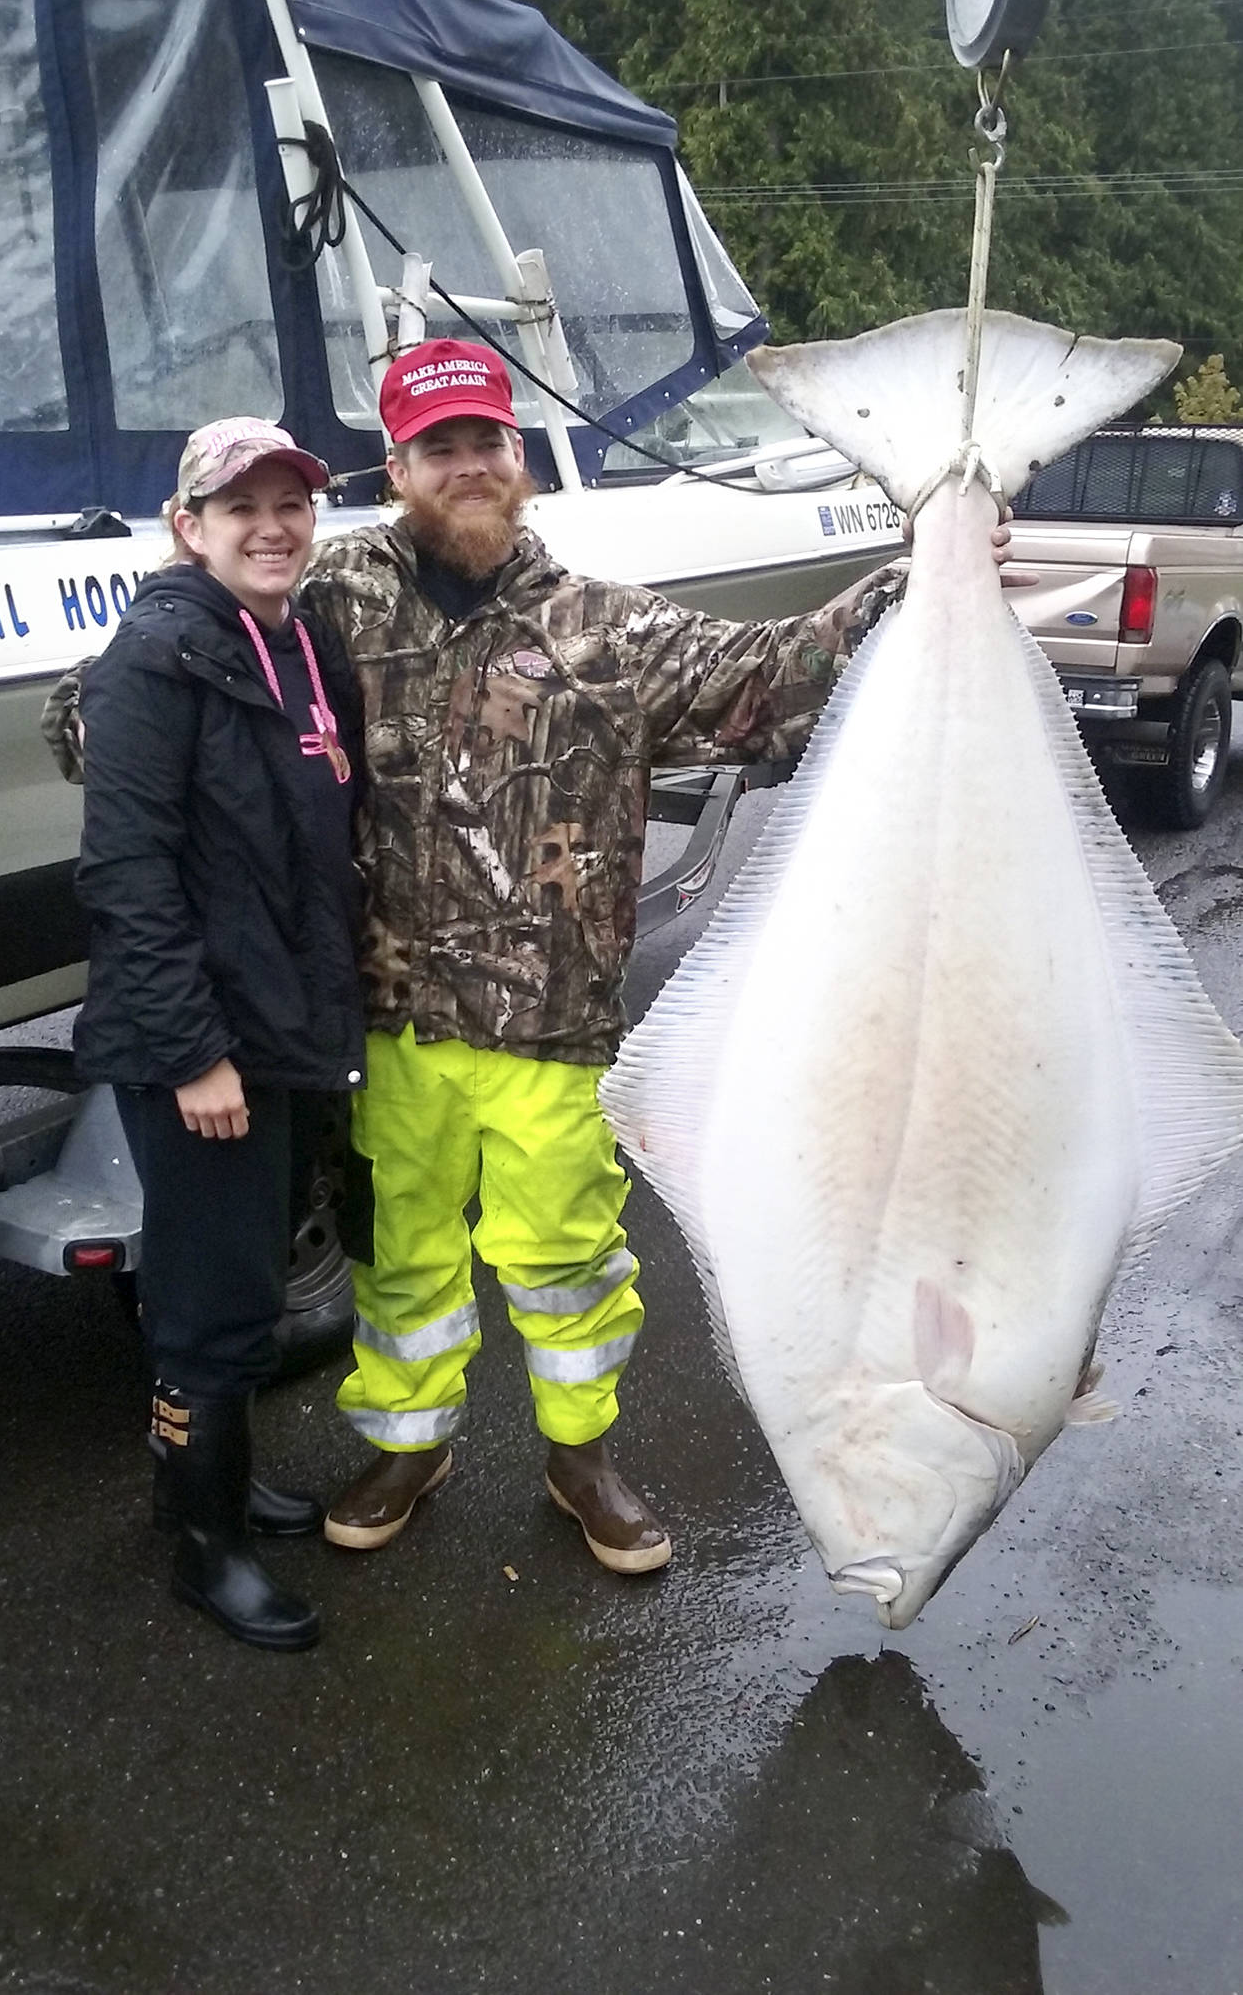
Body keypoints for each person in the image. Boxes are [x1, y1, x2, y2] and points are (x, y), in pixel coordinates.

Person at [301, 337, 1022, 1577]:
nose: (468, 467)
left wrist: (914, 581)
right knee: (400, 1250)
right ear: (397, 470)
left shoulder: (603, 627)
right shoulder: (335, 604)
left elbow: (762, 678)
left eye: (486, 442)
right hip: (392, 1017)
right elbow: (218, 654)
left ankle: (580, 1456)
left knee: (568, 1262)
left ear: (517, 460)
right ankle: (409, 1444)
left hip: (550, 1028)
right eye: (440, 449)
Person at [64, 419, 366, 1651]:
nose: (273, 524)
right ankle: (205, 1548)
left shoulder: (292, 641)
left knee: (240, 1279)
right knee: (215, 1303)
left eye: (290, 501)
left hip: (279, 1026)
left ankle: (208, 1480)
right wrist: (195, 1056)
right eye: (240, 507)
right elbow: (128, 874)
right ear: (187, 526)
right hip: (196, 1045)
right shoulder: (152, 660)